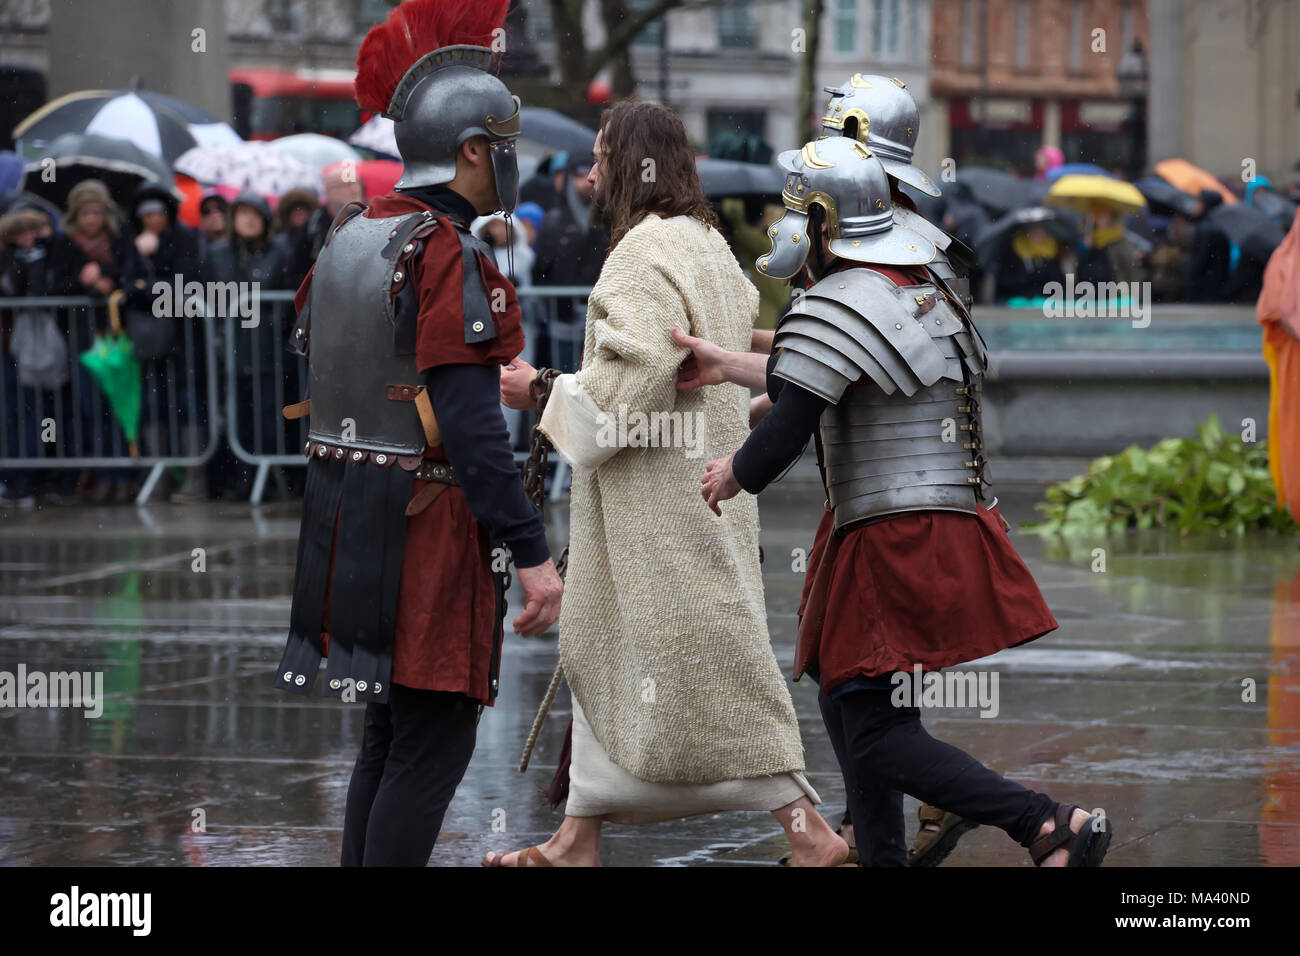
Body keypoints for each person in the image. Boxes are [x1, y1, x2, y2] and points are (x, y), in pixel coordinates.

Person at [682, 136, 1111, 868]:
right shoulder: (912, 279)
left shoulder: (850, 294)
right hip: (924, 518)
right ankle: (881, 855)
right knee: (851, 704)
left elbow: (791, 419)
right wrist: (730, 365)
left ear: (822, 217)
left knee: (872, 723)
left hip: (894, 530)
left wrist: (734, 472)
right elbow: (818, 377)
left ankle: (1046, 823)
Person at [489, 100, 848, 868]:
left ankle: (811, 835)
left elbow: (631, 385)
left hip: (658, 500)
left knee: (718, 671)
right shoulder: (709, 245)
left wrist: (541, 389)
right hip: (700, 488)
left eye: (599, 158)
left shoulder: (640, 253)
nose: (589, 175)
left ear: (630, 165)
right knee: (607, 648)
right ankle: (574, 839)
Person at [272, 0, 563, 868]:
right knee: (431, 741)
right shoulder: (445, 251)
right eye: (502, 145)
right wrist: (533, 552)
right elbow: (475, 432)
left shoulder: (352, 232)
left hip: (348, 513)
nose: (510, 163)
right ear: (473, 150)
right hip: (425, 523)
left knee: (387, 737)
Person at [119, 181, 206, 502]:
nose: (152, 220)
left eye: (157, 213)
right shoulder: (135, 243)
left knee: (188, 405)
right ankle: (159, 476)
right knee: (154, 407)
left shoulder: (184, 238)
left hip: (184, 341)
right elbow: (128, 290)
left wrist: (149, 283)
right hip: (151, 343)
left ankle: (194, 479)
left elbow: (186, 286)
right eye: (146, 215)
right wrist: (148, 278)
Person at [532, 152, 608, 372]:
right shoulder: (553, 220)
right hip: (563, 321)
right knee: (564, 379)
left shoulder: (609, 219)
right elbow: (542, 270)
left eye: (589, 173)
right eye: (578, 175)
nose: (585, 182)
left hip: (601, 322)